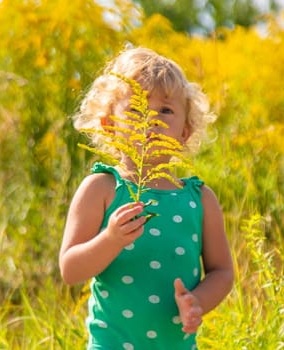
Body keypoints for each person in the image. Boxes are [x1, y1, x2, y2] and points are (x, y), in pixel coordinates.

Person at [59, 46, 234, 350]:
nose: (150, 120)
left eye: (166, 110)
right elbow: (70, 270)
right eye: (136, 110)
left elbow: (222, 271)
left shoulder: (200, 199)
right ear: (109, 125)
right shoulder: (101, 188)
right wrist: (110, 239)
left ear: (185, 131)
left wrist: (198, 302)